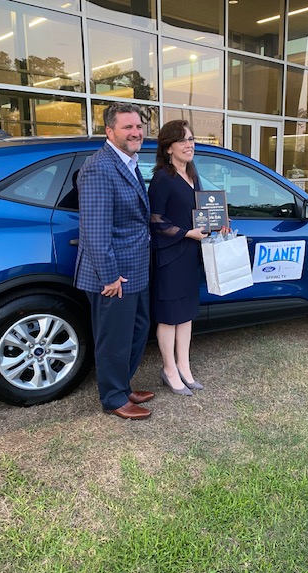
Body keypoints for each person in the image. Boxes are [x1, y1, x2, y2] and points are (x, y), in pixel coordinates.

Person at [74, 102, 154, 420]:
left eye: (138, 126)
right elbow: (94, 231)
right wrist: (109, 276)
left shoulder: (129, 162)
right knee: (114, 339)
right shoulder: (99, 167)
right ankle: (113, 398)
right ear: (110, 131)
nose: (136, 132)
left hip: (135, 269)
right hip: (113, 276)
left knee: (137, 329)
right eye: (127, 127)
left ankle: (121, 384)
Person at [148, 119, 208, 395]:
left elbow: (201, 211)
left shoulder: (192, 175)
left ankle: (184, 367)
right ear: (168, 147)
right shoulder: (162, 178)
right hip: (170, 257)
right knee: (169, 317)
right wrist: (187, 233)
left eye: (191, 139)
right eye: (182, 140)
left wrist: (218, 223)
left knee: (186, 315)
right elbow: (156, 220)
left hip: (189, 256)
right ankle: (169, 369)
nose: (189, 145)